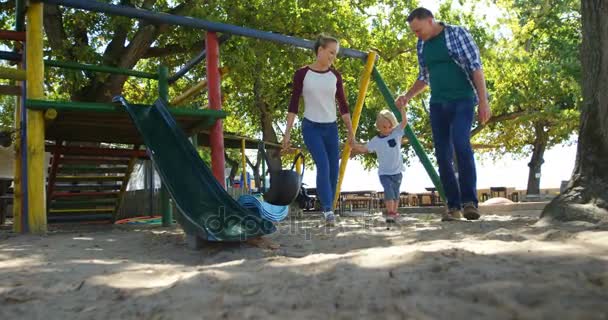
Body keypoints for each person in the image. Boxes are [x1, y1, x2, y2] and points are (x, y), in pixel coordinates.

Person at [395, 7, 492, 221]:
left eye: (418, 30)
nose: (416, 35)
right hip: (438, 104)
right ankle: (453, 206)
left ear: (430, 21)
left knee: (461, 143)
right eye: (414, 32)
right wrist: (407, 96)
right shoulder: (422, 44)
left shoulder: (457, 34)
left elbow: (476, 68)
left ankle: (469, 203)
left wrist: (484, 102)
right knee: (442, 154)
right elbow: (424, 76)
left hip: (463, 100)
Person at [282, 34, 355, 225]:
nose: (333, 57)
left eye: (335, 54)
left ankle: (328, 206)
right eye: (331, 52)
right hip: (311, 126)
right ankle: (328, 211)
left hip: (331, 128)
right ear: (320, 50)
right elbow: (293, 105)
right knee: (323, 165)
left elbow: (343, 106)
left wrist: (350, 131)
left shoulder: (335, 76)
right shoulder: (302, 74)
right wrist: (287, 133)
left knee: (333, 170)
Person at [351, 106, 408, 222]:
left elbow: (404, 121)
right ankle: (390, 212)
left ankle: (394, 212)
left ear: (393, 125)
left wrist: (402, 109)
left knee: (396, 193)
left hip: (397, 171)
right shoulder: (376, 140)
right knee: (389, 191)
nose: (387, 129)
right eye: (384, 127)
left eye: (389, 126)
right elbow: (364, 149)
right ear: (378, 126)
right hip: (384, 173)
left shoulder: (396, 133)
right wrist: (353, 144)